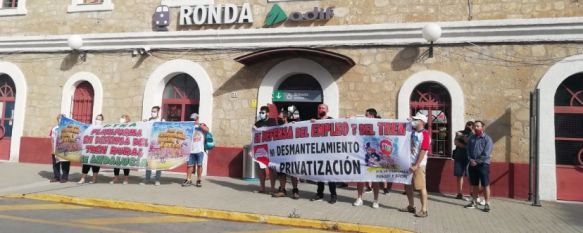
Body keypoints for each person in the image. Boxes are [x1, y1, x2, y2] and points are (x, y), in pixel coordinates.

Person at [399, 112, 430, 217]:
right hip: (409, 162)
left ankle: (424, 209)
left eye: (417, 120)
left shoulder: (425, 134)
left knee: (421, 187)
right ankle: (411, 206)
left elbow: (423, 150)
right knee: (407, 185)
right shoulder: (411, 132)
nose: (414, 121)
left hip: (419, 165)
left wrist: (416, 164)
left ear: (422, 122)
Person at [310, 103, 338, 204]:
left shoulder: (332, 120)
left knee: (330, 174)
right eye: (319, 108)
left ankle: (333, 195)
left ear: (327, 110)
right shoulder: (313, 121)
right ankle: (319, 194)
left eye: (323, 108)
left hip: (329, 151)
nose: (321, 109)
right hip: (318, 152)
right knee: (319, 174)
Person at [354, 108, 382, 208]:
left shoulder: (379, 124)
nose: (365, 117)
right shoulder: (362, 125)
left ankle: (375, 200)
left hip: (375, 156)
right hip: (362, 155)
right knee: (360, 178)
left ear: (371, 116)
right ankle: (359, 198)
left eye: (366, 115)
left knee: (375, 179)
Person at [464, 120, 493, 212]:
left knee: (485, 184)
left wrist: (477, 161)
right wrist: (470, 159)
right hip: (473, 164)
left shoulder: (487, 139)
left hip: (483, 164)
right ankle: (474, 202)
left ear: (482, 127)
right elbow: (468, 149)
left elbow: (487, 153)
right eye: (475, 126)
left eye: (478, 126)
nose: (475, 128)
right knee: (474, 184)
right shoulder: (472, 138)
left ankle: (487, 203)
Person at [272, 106, 300, 199]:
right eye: (278, 118)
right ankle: (282, 190)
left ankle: (295, 190)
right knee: (281, 173)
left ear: (285, 117)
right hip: (280, 154)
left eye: (280, 118)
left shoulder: (293, 126)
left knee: (293, 173)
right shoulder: (276, 127)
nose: (279, 119)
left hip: (291, 153)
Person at [253, 106, 278, 194]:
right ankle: (262, 187)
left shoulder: (273, 122)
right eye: (260, 113)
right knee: (261, 169)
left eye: (263, 113)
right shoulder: (257, 124)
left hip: (271, 148)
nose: (261, 114)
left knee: (271, 168)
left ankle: (272, 188)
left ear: (267, 113)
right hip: (261, 149)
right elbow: (253, 137)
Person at [182, 113, 209, 187]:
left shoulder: (202, 125)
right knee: (189, 166)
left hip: (199, 150)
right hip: (190, 150)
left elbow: (207, 130)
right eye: (191, 119)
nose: (192, 120)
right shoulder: (189, 126)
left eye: (194, 119)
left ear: (197, 118)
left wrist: (199, 124)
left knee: (199, 165)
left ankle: (199, 180)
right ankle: (188, 179)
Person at [78, 114, 103, 184]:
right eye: (97, 119)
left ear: (102, 121)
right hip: (88, 148)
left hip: (98, 149)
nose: (98, 120)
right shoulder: (90, 127)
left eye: (100, 119)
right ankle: (82, 178)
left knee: (96, 164)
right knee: (86, 164)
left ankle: (94, 179)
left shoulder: (103, 128)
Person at [141, 106, 163, 186]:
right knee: (148, 162)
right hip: (149, 144)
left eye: (154, 111)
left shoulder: (161, 121)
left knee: (158, 162)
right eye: (152, 111)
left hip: (158, 144)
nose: (153, 113)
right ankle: (147, 179)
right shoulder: (149, 120)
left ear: (158, 112)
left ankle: (157, 179)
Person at [453, 121, 474, 199]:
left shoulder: (473, 135)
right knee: (459, 175)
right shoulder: (460, 132)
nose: (468, 127)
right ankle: (459, 193)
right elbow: (456, 142)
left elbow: (470, 144)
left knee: (470, 175)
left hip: (469, 157)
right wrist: (465, 144)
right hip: (459, 156)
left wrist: (462, 139)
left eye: (470, 126)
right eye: (467, 125)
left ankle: (472, 192)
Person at [110, 114, 132, 185]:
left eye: (123, 118)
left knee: (125, 163)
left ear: (127, 120)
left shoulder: (130, 127)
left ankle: (126, 179)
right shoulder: (118, 127)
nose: (121, 119)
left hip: (126, 148)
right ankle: (116, 177)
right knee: (116, 163)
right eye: (121, 118)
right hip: (117, 147)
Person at [50, 114, 70, 183]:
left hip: (65, 149)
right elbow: (52, 139)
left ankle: (64, 177)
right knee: (55, 164)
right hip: (56, 149)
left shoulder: (68, 128)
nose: (60, 120)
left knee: (65, 164)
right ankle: (57, 177)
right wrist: (53, 149)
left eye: (62, 118)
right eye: (59, 118)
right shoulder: (54, 129)